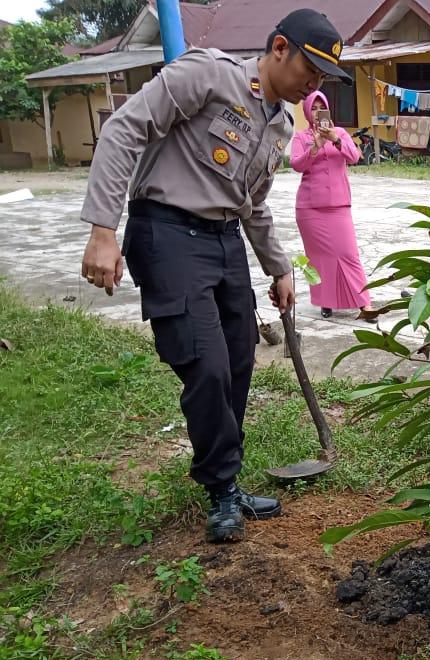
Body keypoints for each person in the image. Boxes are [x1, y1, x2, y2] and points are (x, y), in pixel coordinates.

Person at [79, 9, 351, 544]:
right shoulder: (208, 74)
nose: (314, 85)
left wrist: (279, 268)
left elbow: (254, 205)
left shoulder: (278, 125)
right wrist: (103, 229)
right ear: (279, 48)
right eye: (310, 70)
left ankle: (224, 476)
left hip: (224, 242)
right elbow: (124, 128)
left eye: (324, 79)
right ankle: (222, 489)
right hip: (167, 233)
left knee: (238, 360)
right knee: (206, 365)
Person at [291, 90, 380, 321]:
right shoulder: (302, 137)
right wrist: (315, 146)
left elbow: (354, 157)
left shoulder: (339, 132)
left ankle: (365, 303)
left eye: (322, 106)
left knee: (348, 254)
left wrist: (334, 139)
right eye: (313, 107)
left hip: (339, 205)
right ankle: (325, 302)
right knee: (319, 257)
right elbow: (297, 164)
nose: (318, 111)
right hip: (309, 208)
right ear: (307, 111)